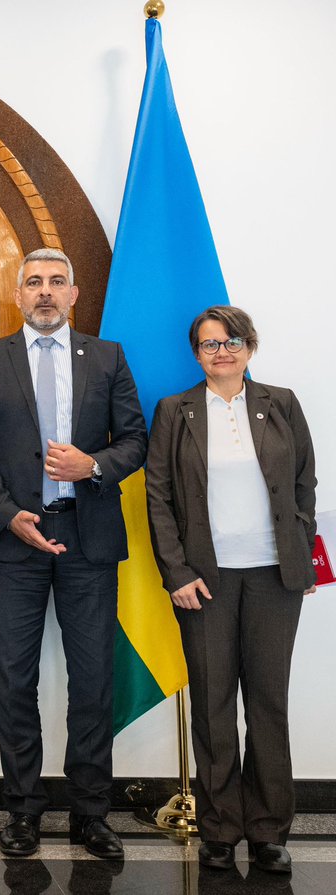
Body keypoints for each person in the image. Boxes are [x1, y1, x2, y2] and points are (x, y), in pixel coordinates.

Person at [0, 248, 146, 860]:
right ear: (18, 293)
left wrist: (94, 465)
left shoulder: (108, 357)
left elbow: (136, 439)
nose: (45, 292)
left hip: (87, 540)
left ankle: (91, 814)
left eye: (56, 282)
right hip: (16, 543)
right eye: (34, 282)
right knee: (16, 680)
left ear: (73, 293)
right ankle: (23, 812)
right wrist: (9, 515)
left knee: (92, 681)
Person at [145, 306, 317, 875]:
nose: (222, 351)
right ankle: (219, 829)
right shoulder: (175, 411)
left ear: (250, 346)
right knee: (215, 706)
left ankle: (269, 831)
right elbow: (159, 498)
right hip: (205, 581)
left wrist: (298, 546)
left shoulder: (281, 402)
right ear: (197, 353)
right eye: (210, 344)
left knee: (268, 703)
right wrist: (176, 572)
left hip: (273, 577)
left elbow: (303, 482)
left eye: (232, 341)